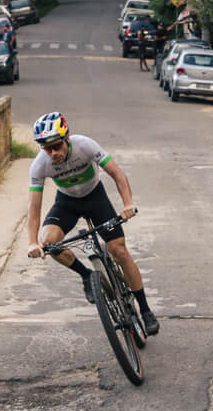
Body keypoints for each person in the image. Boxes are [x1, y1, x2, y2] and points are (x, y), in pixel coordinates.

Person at [25, 110, 159, 335]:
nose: (53, 153)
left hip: (95, 198)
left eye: (57, 146)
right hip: (67, 202)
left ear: (67, 138)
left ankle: (145, 310)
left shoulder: (84, 145)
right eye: (46, 148)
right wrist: (32, 242)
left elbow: (117, 173)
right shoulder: (39, 165)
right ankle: (87, 275)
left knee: (119, 250)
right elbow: (34, 207)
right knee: (49, 243)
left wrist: (127, 204)